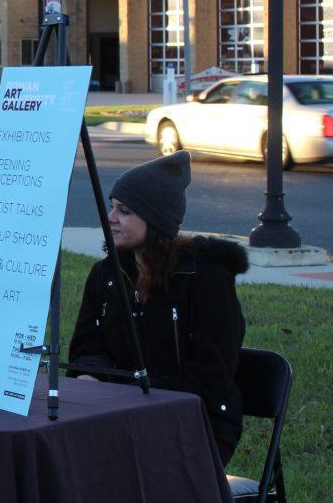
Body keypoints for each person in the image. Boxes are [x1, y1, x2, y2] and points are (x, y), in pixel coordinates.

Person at [67, 151, 248, 466]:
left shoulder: (206, 278)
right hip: (113, 416)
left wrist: (128, 394)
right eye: (112, 206)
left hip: (196, 421)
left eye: (124, 211)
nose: (110, 217)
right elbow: (85, 348)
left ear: (155, 220)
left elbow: (210, 375)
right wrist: (90, 376)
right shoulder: (106, 274)